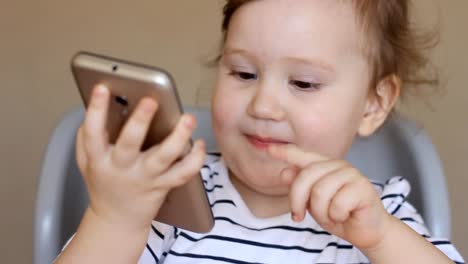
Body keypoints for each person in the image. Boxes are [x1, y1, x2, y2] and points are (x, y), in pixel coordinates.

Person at [55, 0, 465, 263]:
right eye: (244, 73)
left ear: (373, 104)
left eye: (303, 83)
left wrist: (380, 239)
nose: (263, 106)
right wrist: (115, 218)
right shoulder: (168, 197)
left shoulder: (380, 213)